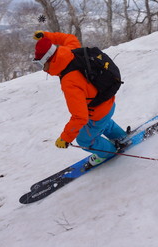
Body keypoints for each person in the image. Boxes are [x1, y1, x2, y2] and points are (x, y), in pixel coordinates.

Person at [33, 31, 127, 167]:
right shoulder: (70, 51)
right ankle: (121, 137)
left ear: (49, 59)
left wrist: (65, 138)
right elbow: (69, 38)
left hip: (97, 113)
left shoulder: (69, 82)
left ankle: (108, 152)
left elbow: (80, 116)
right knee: (103, 123)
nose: (42, 70)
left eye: (40, 65)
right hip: (108, 103)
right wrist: (46, 36)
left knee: (84, 139)